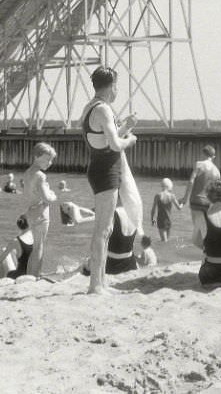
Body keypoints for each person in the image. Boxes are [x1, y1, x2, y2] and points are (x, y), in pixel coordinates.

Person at [80, 66, 137, 294]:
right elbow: (114, 144)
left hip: (101, 167)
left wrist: (126, 126)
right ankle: (95, 285)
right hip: (105, 170)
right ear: (112, 86)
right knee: (103, 229)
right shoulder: (103, 109)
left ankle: (101, 281)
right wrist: (130, 140)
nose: (117, 90)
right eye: (116, 86)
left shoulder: (91, 106)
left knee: (106, 227)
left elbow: (105, 138)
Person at [21, 142, 57, 278]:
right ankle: (35, 275)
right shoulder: (41, 176)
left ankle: (29, 274)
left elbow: (28, 192)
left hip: (30, 212)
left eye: (51, 160)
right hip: (41, 213)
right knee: (39, 246)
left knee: (35, 247)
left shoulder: (27, 172)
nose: (50, 163)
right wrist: (53, 195)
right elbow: (47, 198)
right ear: (36, 156)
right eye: (47, 159)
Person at [182, 145, 221, 248]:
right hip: (208, 204)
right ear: (214, 156)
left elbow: (191, 181)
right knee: (205, 231)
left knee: (196, 236)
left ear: (203, 154)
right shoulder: (217, 171)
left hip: (196, 202)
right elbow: (216, 191)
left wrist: (185, 198)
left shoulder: (199, 164)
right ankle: (210, 252)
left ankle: (208, 253)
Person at [0, 215, 33, 279]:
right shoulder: (35, 238)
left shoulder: (16, 241)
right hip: (32, 273)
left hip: (19, 275)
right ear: (29, 224)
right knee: (13, 252)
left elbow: (0, 260)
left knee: (4, 250)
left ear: (18, 226)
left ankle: (0, 281)